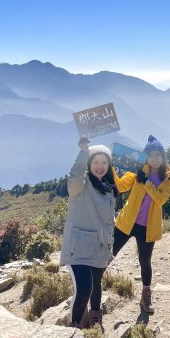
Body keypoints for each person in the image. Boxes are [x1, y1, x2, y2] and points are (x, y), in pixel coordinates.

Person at [113, 135, 170, 314]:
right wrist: (109, 165)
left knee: (145, 261)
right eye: (151, 155)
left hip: (148, 227)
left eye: (159, 155)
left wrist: (148, 183)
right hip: (127, 221)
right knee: (108, 254)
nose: (155, 159)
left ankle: (146, 297)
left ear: (163, 157)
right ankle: (93, 292)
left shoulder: (169, 178)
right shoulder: (137, 170)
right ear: (146, 157)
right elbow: (120, 186)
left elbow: (160, 199)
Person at [60, 138, 118, 328]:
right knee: (84, 289)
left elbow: (109, 221)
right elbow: (74, 178)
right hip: (79, 248)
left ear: (108, 166)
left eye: (104, 163)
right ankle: (74, 328)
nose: (99, 167)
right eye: (95, 162)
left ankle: (95, 317)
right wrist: (82, 153)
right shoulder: (81, 186)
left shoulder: (109, 188)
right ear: (89, 164)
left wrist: (110, 247)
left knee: (96, 284)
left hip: (100, 247)